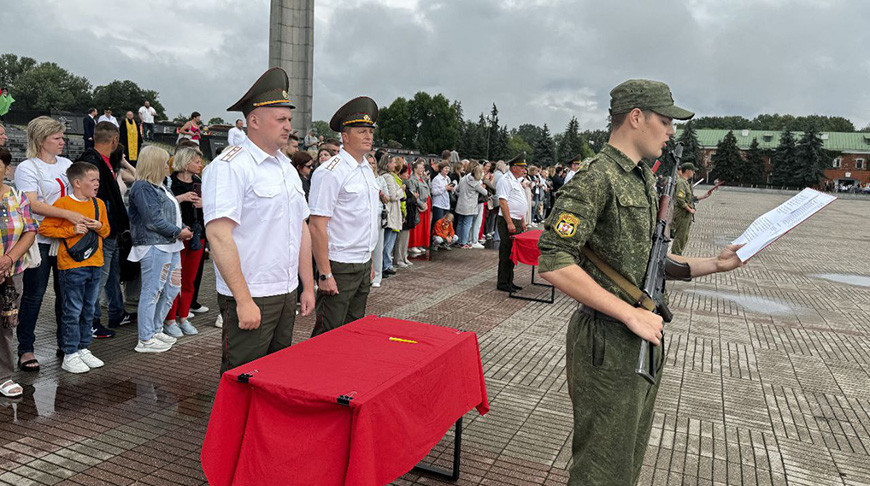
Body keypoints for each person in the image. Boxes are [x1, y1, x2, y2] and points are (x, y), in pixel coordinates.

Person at [537, 79, 745, 485]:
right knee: (602, 470)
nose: (670, 132)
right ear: (636, 118)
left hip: (639, 336)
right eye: (665, 121)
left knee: (625, 462)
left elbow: (653, 261)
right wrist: (628, 315)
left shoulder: (642, 180)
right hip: (607, 339)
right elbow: (554, 259)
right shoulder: (597, 178)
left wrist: (715, 265)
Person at [203, 67, 314, 372]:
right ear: (253, 121)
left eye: (289, 120)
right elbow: (219, 237)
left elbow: (301, 229)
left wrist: (306, 285)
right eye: (280, 119)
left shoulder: (287, 168)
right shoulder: (231, 167)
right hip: (252, 294)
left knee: (274, 376)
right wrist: (242, 299)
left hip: (285, 291)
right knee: (242, 378)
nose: (288, 126)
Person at [308, 96, 380, 337]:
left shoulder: (366, 170)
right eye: (362, 131)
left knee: (353, 330)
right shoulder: (331, 172)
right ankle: (317, 374)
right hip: (339, 264)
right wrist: (325, 273)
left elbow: (367, 219)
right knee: (329, 332)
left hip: (361, 262)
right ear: (345, 137)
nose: (369, 136)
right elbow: (317, 225)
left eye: (370, 131)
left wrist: (368, 259)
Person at [15, 117, 82, 372]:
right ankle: (26, 349)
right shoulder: (27, 167)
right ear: (42, 140)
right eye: (57, 138)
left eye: (62, 137)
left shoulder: (67, 164)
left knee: (66, 295)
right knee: (35, 294)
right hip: (41, 239)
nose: (63, 142)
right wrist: (67, 214)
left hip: (66, 239)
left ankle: (66, 344)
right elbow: (30, 203)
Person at [38, 162, 111, 373]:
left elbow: (106, 231)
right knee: (72, 309)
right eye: (92, 179)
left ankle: (83, 347)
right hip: (72, 265)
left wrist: (99, 227)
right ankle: (70, 352)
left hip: (95, 263)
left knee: (89, 309)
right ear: (77, 183)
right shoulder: (62, 204)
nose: (97, 183)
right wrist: (71, 230)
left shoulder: (99, 204)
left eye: (98, 180)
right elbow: (45, 228)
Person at [128, 146, 191, 353]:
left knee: (171, 288)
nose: (168, 166)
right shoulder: (143, 187)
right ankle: (145, 338)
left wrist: (181, 229)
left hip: (170, 245)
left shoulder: (161, 186)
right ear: (155, 164)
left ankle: (155, 329)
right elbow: (153, 221)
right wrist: (178, 231)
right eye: (164, 162)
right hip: (154, 245)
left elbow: (170, 215)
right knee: (152, 290)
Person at [76, 122, 131, 333]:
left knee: (112, 274)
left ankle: (117, 312)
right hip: (102, 229)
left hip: (110, 228)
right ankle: (92, 322)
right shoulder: (92, 162)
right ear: (115, 140)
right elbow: (93, 197)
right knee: (101, 275)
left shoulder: (103, 161)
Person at [0, 147, 38, 396]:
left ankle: (3, 375)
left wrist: (8, 260)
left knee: (5, 324)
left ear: (6, 168)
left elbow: (30, 230)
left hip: (11, 271)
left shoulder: (17, 196)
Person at [163, 146, 205, 337]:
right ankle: (169, 320)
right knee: (174, 280)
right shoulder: (170, 182)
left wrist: (203, 204)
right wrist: (181, 198)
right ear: (186, 162)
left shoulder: (199, 181)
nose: (200, 165)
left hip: (196, 236)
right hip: (177, 236)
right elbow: (163, 205)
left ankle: (184, 317)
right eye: (197, 161)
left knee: (189, 280)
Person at [495, 153, 528, 292]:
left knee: (513, 252)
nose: (524, 170)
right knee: (506, 251)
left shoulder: (515, 180)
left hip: (516, 219)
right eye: (522, 167)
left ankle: (509, 280)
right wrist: (509, 222)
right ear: (514, 168)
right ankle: (503, 282)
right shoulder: (505, 180)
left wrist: (523, 220)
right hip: (508, 220)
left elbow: (519, 201)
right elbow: (503, 202)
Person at [378, 154, 403, 276]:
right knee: (387, 241)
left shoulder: (388, 176)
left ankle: (386, 264)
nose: (395, 165)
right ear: (387, 163)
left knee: (389, 239)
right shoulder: (387, 176)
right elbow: (393, 196)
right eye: (393, 162)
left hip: (393, 211)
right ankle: (384, 265)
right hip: (391, 212)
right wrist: (401, 190)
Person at [455, 160, 487, 248]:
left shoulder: (463, 178)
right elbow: (485, 192)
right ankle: (464, 242)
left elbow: (457, 190)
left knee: (460, 223)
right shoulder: (476, 183)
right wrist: (484, 187)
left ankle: (458, 241)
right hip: (470, 207)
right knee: (467, 224)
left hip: (460, 204)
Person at [671, 162, 697, 255]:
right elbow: (680, 199)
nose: (694, 173)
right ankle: (675, 255)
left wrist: (704, 196)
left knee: (684, 236)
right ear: (687, 171)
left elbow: (689, 198)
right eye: (693, 171)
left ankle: (678, 254)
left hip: (686, 214)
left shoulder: (686, 183)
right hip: (682, 214)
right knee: (680, 236)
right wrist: (690, 210)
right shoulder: (681, 182)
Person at [407, 158, 431, 256]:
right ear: (415, 169)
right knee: (417, 226)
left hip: (426, 204)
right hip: (420, 205)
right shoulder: (412, 179)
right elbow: (414, 194)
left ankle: (421, 243)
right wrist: (420, 204)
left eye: (423, 168)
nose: (422, 170)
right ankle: (413, 245)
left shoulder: (422, 178)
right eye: (420, 168)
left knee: (424, 226)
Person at [430, 162, 453, 232]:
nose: (447, 170)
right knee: (437, 223)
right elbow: (433, 192)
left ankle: (442, 238)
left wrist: (451, 189)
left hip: (446, 204)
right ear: (441, 169)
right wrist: (445, 188)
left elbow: (448, 190)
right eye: (445, 168)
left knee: (444, 224)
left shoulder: (448, 178)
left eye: (448, 168)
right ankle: (434, 239)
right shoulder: (436, 179)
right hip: (438, 204)